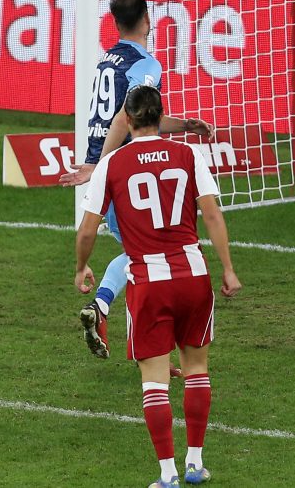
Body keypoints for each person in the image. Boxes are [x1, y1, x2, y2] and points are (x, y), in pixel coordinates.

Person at [75, 84, 241, 487]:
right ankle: (195, 463)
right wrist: (228, 269)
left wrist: (81, 268)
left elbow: (88, 229)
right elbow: (213, 215)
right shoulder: (188, 155)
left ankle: (168, 475)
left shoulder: (113, 164)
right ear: (159, 115)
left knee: (154, 381)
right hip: (193, 275)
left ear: (128, 119)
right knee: (197, 369)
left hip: (149, 282)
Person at [61, 0, 213, 363]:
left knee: (140, 255)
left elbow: (142, 118)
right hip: (125, 171)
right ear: (147, 20)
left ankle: (104, 311)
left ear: (115, 23)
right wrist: (103, 166)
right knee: (148, 256)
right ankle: (146, 345)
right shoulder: (146, 65)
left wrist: (184, 125)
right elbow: (125, 117)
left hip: (110, 166)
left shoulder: (107, 59)